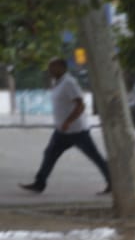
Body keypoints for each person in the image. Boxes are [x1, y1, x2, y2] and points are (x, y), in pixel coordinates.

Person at [20, 57, 112, 196]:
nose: (49, 70)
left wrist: (68, 121)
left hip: (77, 131)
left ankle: (113, 182)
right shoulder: (57, 82)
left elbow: (80, 105)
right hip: (62, 132)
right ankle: (39, 183)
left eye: (52, 67)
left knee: (95, 157)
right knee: (49, 154)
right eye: (49, 67)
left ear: (62, 67)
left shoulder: (69, 82)